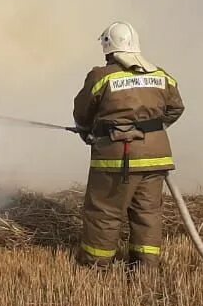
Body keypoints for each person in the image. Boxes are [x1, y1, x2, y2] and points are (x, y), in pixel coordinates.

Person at [72, 22, 185, 270]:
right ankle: (145, 269)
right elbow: (176, 108)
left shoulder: (101, 76)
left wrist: (89, 132)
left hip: (117, 158)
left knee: (104, 212)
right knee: (148, 213)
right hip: (156, 159)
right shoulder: (161, 76)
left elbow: (82, 112)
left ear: (108, 49)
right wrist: (151, 129)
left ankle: (96, 267)